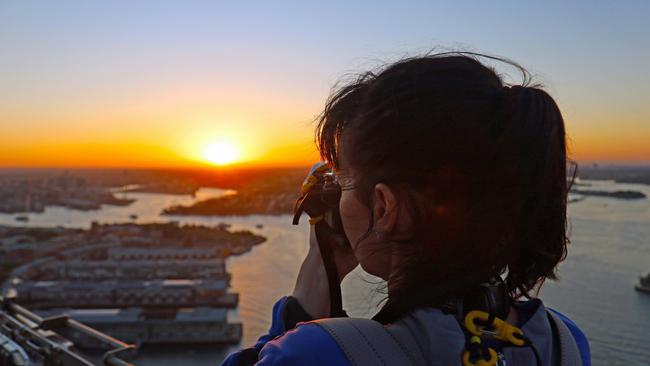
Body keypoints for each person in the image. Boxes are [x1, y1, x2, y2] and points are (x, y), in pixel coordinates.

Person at [221, 52, 590, 366]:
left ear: (384, 207)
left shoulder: (316, 353)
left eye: (344, 182)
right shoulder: (564, 343)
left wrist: (310, 291)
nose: (339, 198)